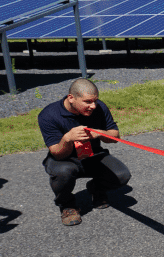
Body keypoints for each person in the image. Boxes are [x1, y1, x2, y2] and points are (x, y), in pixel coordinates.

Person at [37, 78, 131, 226]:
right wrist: (67, 139)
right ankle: (67, 205)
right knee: (63, 172)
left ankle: (96, 189)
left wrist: (100, 133)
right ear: (71, 98)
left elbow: (115, 137)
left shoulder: (99, 108)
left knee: (122, 175)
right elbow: (56, 153)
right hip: (65, 159)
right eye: (87, 102)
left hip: (92, 155)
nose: (93, 106)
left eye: (95, 101)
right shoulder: (49, 115)